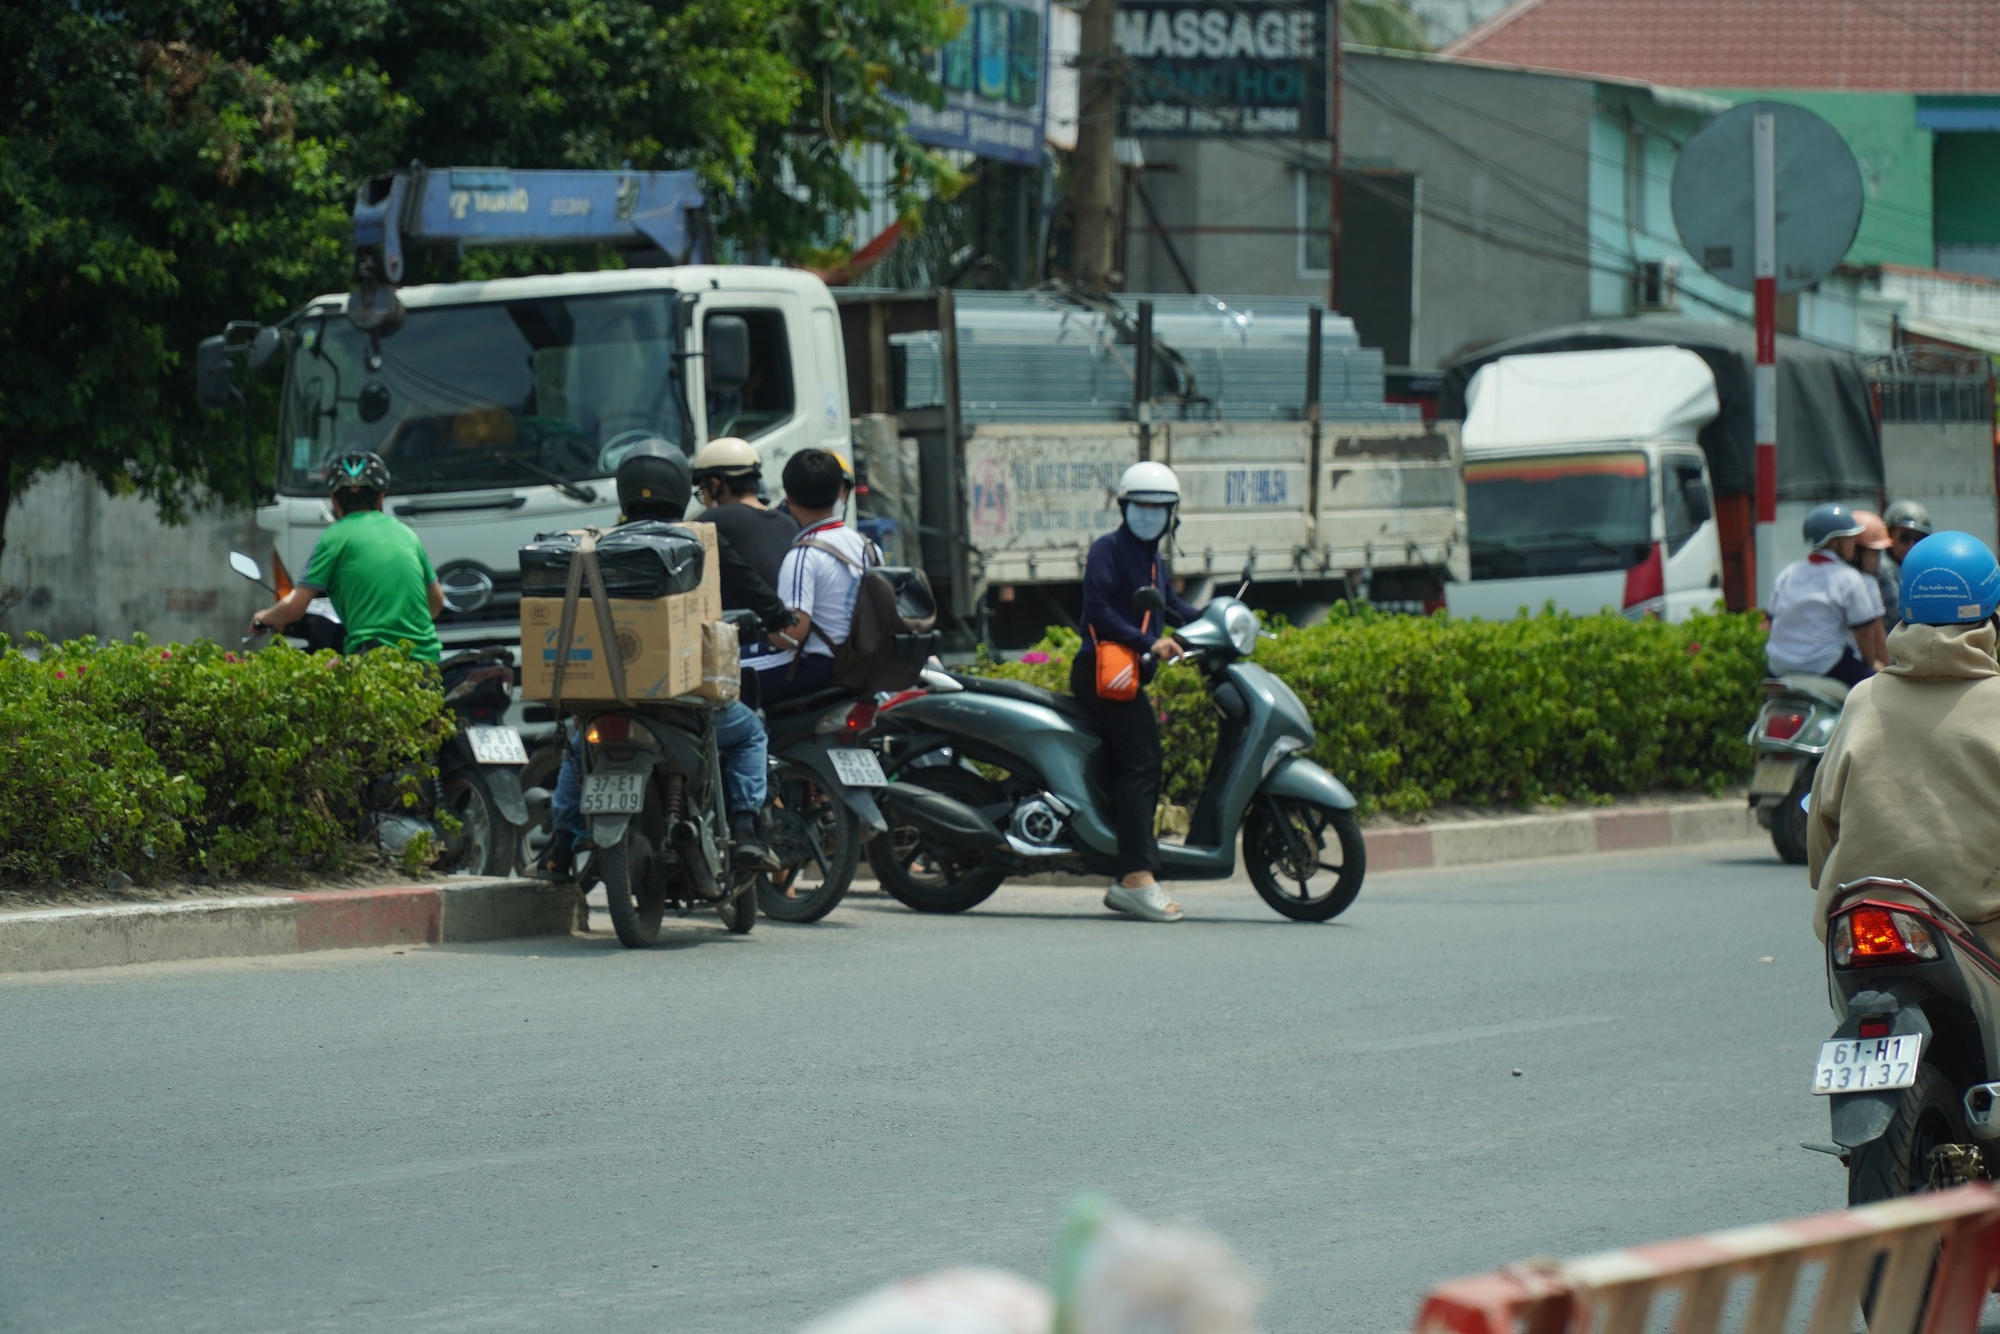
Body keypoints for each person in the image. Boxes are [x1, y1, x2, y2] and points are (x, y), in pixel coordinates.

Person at [544, 441, 776, 878]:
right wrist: (780, 617)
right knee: (750, 736)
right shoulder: (697, 540)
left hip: (609, 697)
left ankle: (559, 847)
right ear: (679, 488)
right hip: (683, 702)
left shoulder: (593, 547)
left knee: (579, 754)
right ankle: (744, 829)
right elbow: (756, 590)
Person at [1808, 531, 2000, 949]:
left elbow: (1822, 817)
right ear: (1991, 618)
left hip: (1863, 920)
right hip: (1980, 927)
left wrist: (1822, 878)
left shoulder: (1863, 699)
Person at [1073, 462, 1201, 924]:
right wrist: (1150, 641)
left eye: (1159, 507)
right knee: (1142, 761)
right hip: (1100, 674)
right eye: (1140, 505)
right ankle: (1135, 877)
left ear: (1172, 515)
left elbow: (1171, 605)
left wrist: (1217, 619)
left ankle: (1122, 859)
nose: (1149, 514)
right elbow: (1098, 610)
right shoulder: (1108, 550)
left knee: (1128, 764)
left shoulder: (1151, 558)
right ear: (1124, 506)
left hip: (1127, 676)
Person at [250, 451, 443, 661]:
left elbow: (295, 608)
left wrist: (264, 616)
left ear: (335, 501)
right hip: (429, 662)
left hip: (376, 663)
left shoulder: (333, 538)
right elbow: (437, 602)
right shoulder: (406, 534)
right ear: (380, 498)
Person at [756, 448, 867, 707]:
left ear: (789, 497)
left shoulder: (804, 554)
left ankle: (751, 746)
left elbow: (791, 635)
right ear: (840, 492)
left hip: (817, 666)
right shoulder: (865, 544)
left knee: (722, 675)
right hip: (861, 660)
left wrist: (764, 629)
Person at [691, 436, 801, 674]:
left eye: (703, 488)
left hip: (759, 645)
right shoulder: (788, 522)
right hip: (797, 640)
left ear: (715, 484)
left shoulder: (712, 523)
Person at [1765, 503, 1887, 687]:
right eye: (1849, 538)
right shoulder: (1848, 577)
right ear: (1833, 541)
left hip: (1777, 666)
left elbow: (1772, 617)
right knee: (1879, 687)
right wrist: (1872, 663)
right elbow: (1864, 630)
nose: (1854, 545)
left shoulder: (1789, 572)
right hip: (1824, 666)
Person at [1881, 499, 1934, 616]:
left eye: (1919, 539)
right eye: (1905, 537)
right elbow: (1899, 615)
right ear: (1888, 535)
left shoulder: (1925, 567)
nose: (1912, 545)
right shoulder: (1883, 569)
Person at [1849, 509, 1898, 624]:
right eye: (1874, 552)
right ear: (1856, 552)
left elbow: (1897, 614)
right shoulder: (1842, 580)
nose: (1879, 559)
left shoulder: (1882, 573)